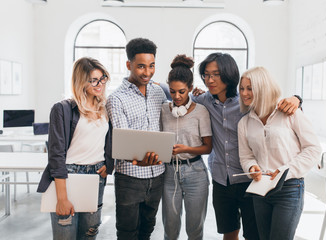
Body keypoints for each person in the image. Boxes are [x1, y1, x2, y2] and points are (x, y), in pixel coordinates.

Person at [191, 53, 302, 240]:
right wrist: (150, 83)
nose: (209, 80)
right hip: (221, 179)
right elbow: (178, 92)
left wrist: (297, 98)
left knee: (254, 235)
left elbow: (277, 108)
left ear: (228, 74)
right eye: (206, 75)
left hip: (251, 178)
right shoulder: (205, 101)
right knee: (229, 232)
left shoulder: (249, 101)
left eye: (215, 74)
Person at [237, 66, 321, 240]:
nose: (244, 93)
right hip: (261, 189)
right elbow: (246, 156)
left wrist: (285, 169)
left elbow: (313, 148)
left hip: (289, 187)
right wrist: (252, 167)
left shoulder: (291, 114)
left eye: (250, 88)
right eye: (242, 88)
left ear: (262, 88)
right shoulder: (244, 123)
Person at [37, 57, 114, 240]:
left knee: (89, 236)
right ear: (81, 81)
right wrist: (62, 198)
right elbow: (55, 154)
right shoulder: (63, 109)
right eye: (94, 80)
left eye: (102, 78)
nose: (99, 84)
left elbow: (109, 141)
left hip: (96, 176)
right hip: (67, 177)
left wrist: (109, 165)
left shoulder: (105, 108)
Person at [106, 38, 167, 240]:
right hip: (130, 178)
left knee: (147, 230)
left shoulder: (159, 92)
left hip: (157, 174)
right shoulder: (116, 99)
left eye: (151, 66)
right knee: (127, 233)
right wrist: (137, 159)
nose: (147, 72)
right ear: (128, 65)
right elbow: (123, 141)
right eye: (141, 66)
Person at [161, 55, 212, 240]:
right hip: (169, 174)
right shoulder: (164, 111)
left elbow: (208, 148)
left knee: (195, 229)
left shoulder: (201, 112)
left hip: (195, 172)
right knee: (170, 228)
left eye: (182, 91)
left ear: (190, 88)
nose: (177, 97)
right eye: (173, 92)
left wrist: (184, 149)